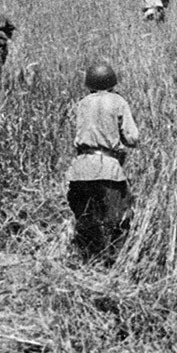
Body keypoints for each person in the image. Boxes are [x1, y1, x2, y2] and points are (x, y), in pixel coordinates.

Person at [66, 64, 139, 263]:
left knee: (85, 220)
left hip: (80, 169)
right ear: (112, 83)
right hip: (108, 169)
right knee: (119, 220)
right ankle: (113, 263)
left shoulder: (82, 103)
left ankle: (87, 263)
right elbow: (132, 138)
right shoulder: (118, 101)